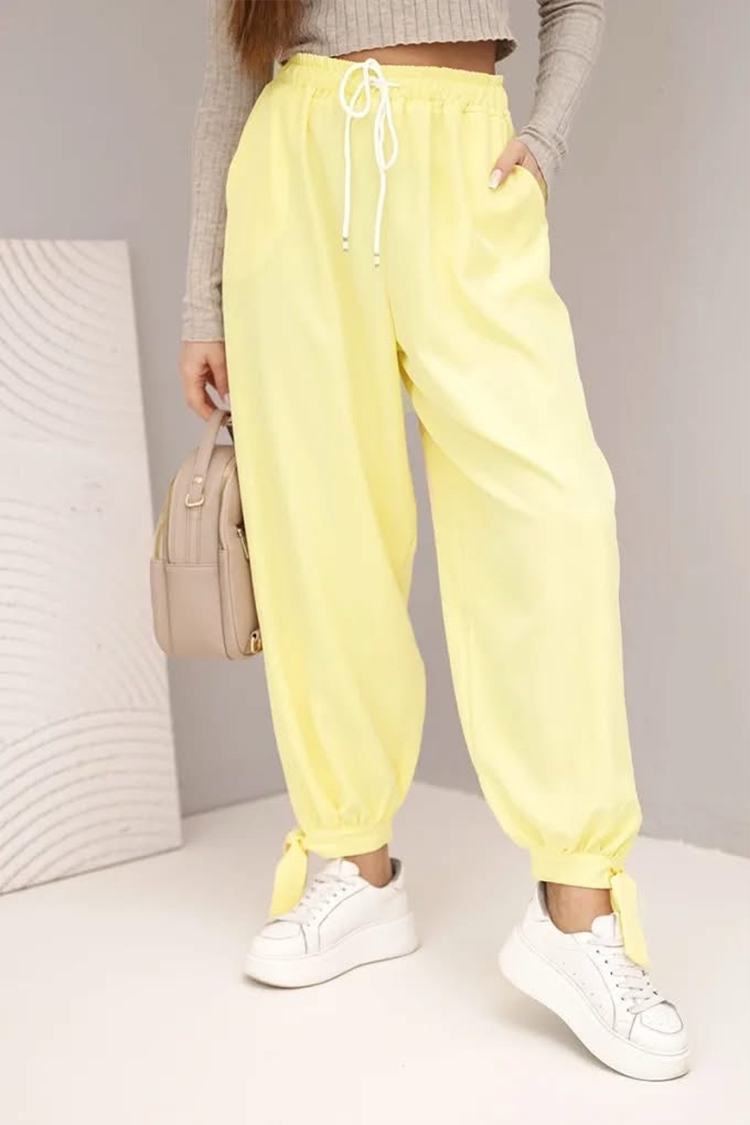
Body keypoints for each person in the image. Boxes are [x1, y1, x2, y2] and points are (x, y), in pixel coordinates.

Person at [179, 0, 689, 1081]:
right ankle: (352, 866)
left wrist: (544, 140)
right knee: (323, 532)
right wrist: (201, 300)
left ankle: (578, 910)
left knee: (555, 508)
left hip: (468, 161)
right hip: (297, 166)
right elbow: (232, 59)